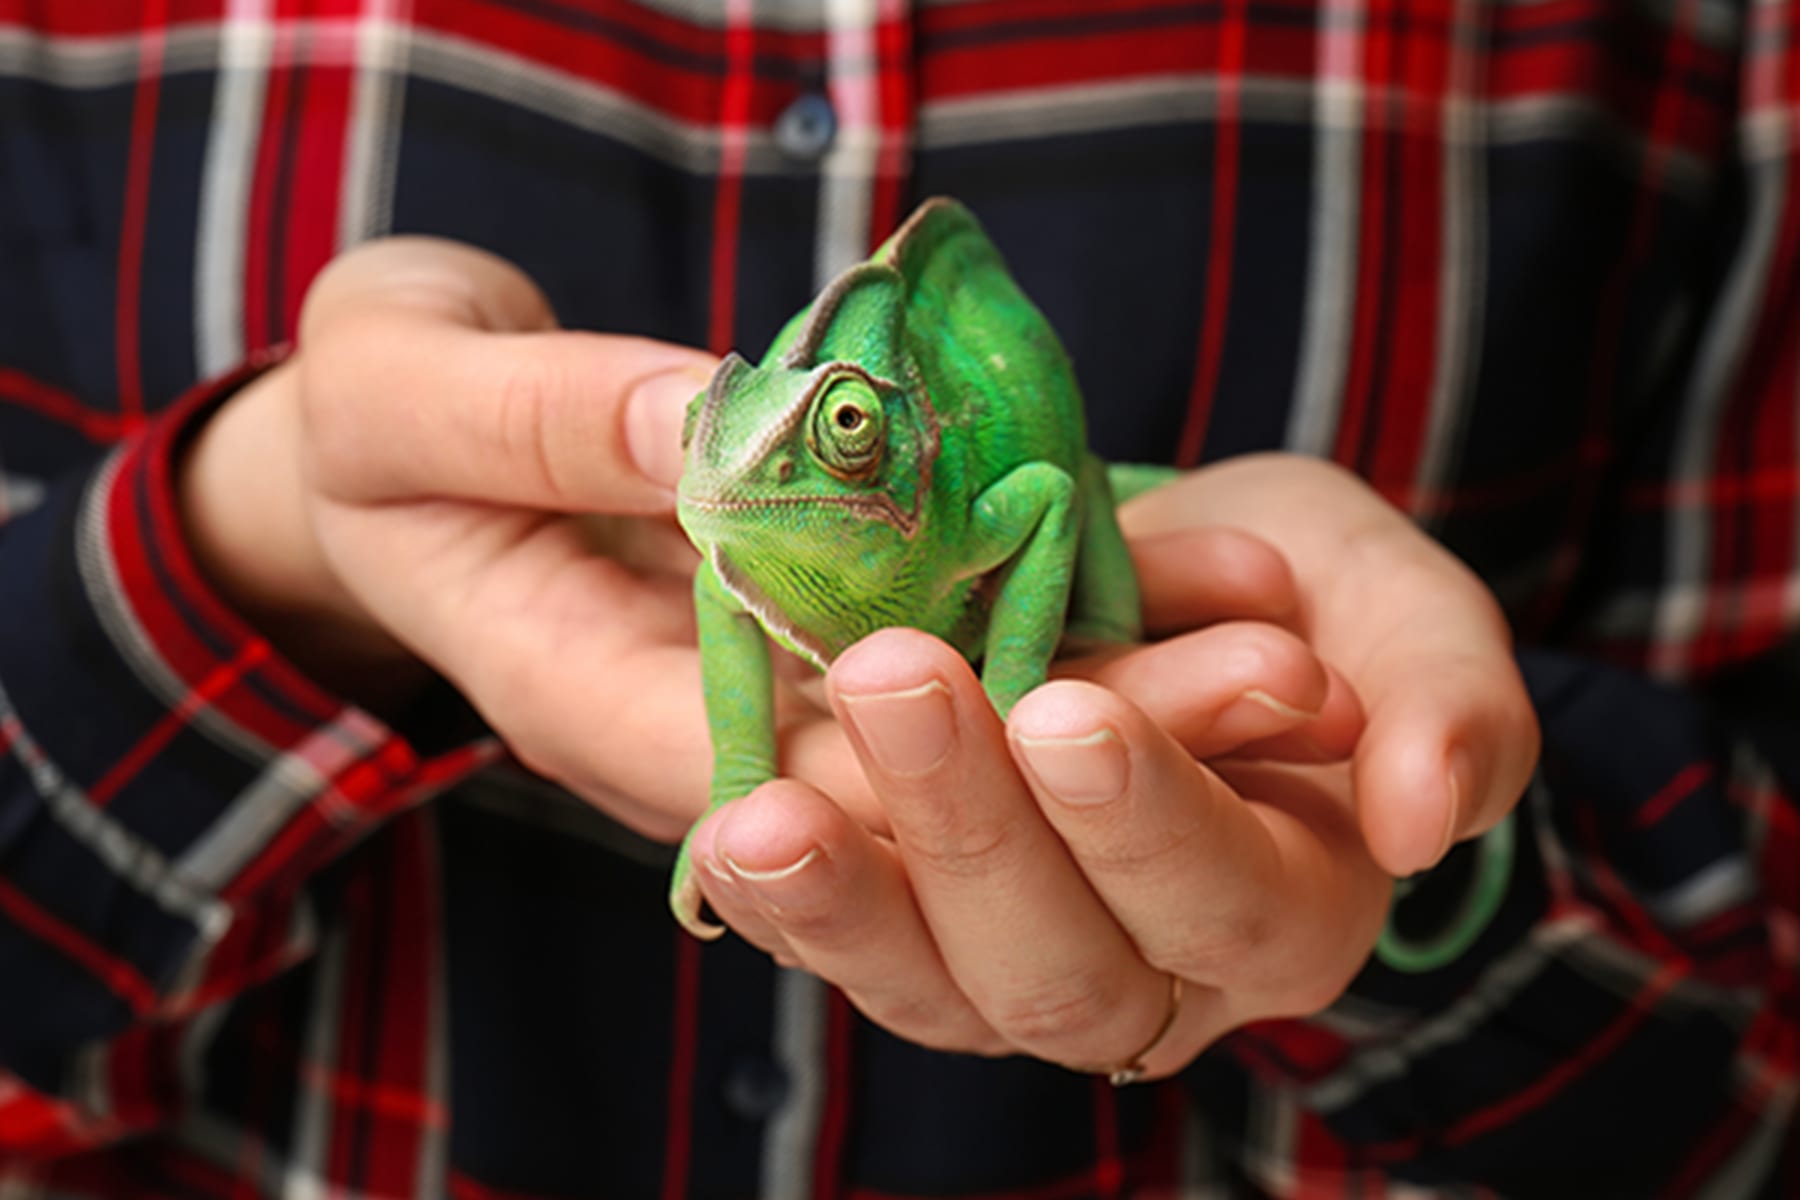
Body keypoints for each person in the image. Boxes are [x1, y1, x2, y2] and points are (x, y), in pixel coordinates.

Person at [0, 3, 1792, 1197]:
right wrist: (258, 550)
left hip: (1037, 501)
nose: (734, 493)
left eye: (835, 434)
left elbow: (1026, 499)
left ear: (881, 437)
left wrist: (1444, 875)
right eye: (714, 437)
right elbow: (727, 602)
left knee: (1067, 538)